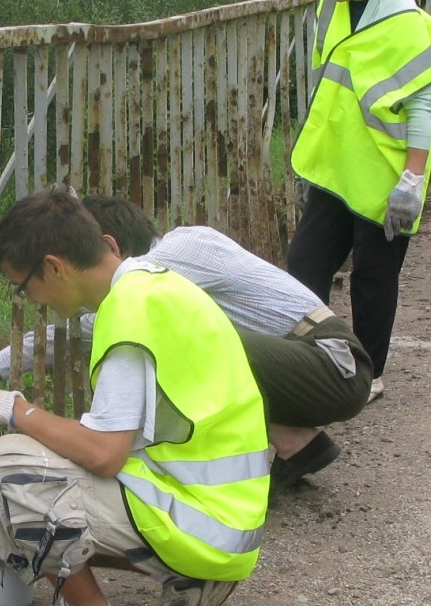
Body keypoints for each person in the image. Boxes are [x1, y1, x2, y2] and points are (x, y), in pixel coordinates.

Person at [0, 189, 270, 606]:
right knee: (52, 455)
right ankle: (190, 582)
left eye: (24, 286)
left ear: (54, 267)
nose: (29, 299)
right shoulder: (160, 285)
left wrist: (15, 409)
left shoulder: (128, 312)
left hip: (206, 527)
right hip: (228, 520)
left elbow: (103, 454)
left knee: (8, 463)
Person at [81, 196, 370, 485]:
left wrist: (41, 345)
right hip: (315, 364)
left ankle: (291, 442)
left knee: (186, 343)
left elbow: (111, 317)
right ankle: (297, 443)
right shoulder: (165, 261)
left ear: (110, 246)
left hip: (336, 364)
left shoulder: (177, 252)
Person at [286, 0, 431, 398]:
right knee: (304, 264)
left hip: (385, 172)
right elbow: (325, 89)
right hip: (335, 168)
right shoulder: (326, 10)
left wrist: (413, 180)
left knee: (373, 280)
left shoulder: (408, 23)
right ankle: (311, 360)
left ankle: (368, 376)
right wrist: (309, 165)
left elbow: (423, 106)